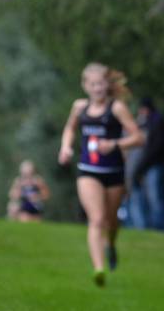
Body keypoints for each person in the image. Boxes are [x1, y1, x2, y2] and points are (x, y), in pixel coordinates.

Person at [58, 63, 144, 286]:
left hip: (114, 172)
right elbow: (69, 128)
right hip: (88, 172)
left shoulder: (116, 108)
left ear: (107, 84)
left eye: (101, 83)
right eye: (93, 84)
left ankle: (111, 245)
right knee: (96, 219)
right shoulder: (79, 107)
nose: (98, 88)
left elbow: (138, 138)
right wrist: (65, 147)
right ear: (85, 85)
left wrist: (114, 144)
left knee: (111, 221)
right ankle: (99, 268)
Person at [131, 97, 164, 231]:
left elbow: (154, 147)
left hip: (156, 165)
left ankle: (163, 228)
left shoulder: (155, 121)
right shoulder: (156, 120)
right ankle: (162, 227)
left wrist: (141, 166)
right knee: (158, 198)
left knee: (157, 198)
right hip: (157, 165)